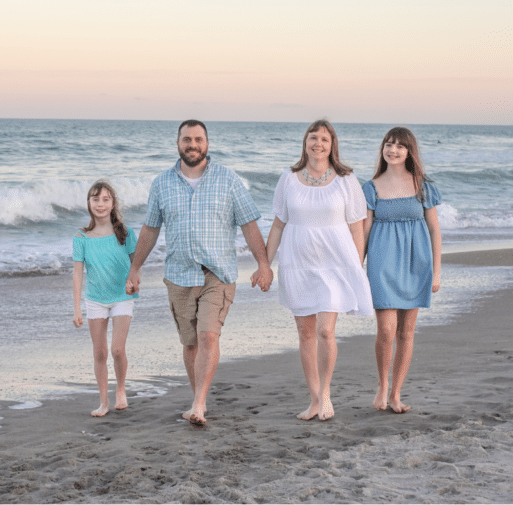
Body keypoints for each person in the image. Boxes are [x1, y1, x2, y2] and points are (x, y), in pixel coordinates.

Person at [125, 120, 273, 427]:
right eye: (187, 139)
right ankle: (197, 400)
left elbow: (249, 224)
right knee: (190, 342)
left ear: (207, 143)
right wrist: (135, 268)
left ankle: (199, 404)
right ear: (178, 143)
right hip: (179, 274)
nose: (193, 144)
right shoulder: (162, 183)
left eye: (198, 139)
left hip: (217, 273)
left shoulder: (228, 179)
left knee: (208, 334)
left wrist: (263, 264)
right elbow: (151, 229)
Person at [265, 120, 373, 421]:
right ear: (305, 142)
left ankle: (326, 393)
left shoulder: (345, 178)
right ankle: (313, 398)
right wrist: (265, 264)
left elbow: (357, 228)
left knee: (326, 330)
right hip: (297, 262)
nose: (318, 144)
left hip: (336, 263)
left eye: (324, 139)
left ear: (332, 145)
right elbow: (277, 224)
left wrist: (357, 265)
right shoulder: (288, 178)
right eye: (313, 137)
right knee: (305, 332)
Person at [363, 127, 441, 414]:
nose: (393, 149)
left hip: (416, 263)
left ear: (410, 152)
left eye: (400, 145)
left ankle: (396, 394)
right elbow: (366, 230)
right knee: (386, 330)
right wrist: (357, 267)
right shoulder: (370, 187)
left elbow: (434, 230)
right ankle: (382, 386)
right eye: (389, 143)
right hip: (382, 264)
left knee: (406, 333)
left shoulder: (423, 186)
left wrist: (437, 271)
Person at [73, 181, 138, 417]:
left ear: (113, 203)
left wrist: (134, 280)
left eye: (105, 199)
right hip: (95, 300)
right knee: (99, 352)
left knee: (117, 350)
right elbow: (78, 273)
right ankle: (103, 402)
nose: (100, 204)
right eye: (95, 199)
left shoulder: (126, 232)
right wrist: (77, 308)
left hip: (122, 296)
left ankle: (120, 389)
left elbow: (136, 264)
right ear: (89, 203)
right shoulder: (82, 237)